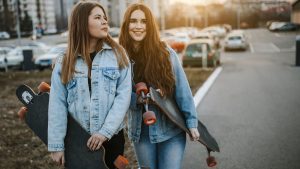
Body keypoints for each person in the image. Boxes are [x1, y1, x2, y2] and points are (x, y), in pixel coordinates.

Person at [47, 1, 131, 168]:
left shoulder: (118, 55)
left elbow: (123, 98)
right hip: (77, 141)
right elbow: (57, 104)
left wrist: (104, 133)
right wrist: (56, 145)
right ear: (82, 23)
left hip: (112, 140)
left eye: (105, 18)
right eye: (98, 17)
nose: (105, 21)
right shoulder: (64, 61)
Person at [119, 3, 200, 169]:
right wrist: (137, 99)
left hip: (170, 128)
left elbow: (183, 91)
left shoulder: (165, 53)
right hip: (141, 133)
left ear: (150, 25)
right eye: (134, 21)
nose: (139, 26)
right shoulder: (120, 57)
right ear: (127, 25)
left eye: (144, 21)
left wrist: (192, 123)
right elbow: (116, 94)